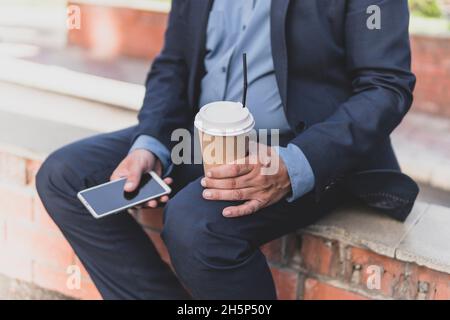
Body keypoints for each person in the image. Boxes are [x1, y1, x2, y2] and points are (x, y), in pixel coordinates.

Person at [36, 0, 418, 299]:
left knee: (195, 226)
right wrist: (150, 142)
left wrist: (294, 163)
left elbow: (386, 87)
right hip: (197, 136)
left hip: (301, 147)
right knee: (64, 175)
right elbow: (174, 64)